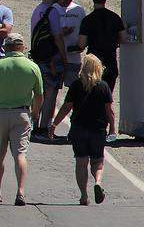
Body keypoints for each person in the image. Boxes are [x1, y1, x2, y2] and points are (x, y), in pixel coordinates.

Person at [0, 33, 43, 206]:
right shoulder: (32, 67)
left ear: (5, 48)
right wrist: (35, 113)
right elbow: (39, 95)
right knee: (20, 154)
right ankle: (20, 192)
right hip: (21, 113)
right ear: (22, 47)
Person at [49, 53, 115, 205]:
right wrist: (112, 128)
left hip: (78, 128)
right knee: (97, 161)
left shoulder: (76, 85)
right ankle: (97, 182)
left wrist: (54, 124)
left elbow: (66, 107)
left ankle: (84, 195)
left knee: (81, 162)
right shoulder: (103, 86)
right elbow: (109, 111)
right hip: (98, 129)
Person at [32, 0, 69, 135]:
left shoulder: (37, 10)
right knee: (51, 93)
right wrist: (64, 56)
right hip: (51, 59)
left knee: (39, 93)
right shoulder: (52, 11)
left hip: (38, 56)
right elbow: (57, 37)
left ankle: (35, 123)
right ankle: (44, 127)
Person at [78, 0, 126, 95]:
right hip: (110, 64)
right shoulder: (115, 18)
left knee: (91, 97)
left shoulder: (87, 20)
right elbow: (123, 38)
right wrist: (114, 42)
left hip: (93, 66)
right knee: (107, 98)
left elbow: (81, 43)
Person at [54, 0, 88, 91]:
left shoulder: (79, 10)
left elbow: (85, 33)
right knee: (52, 91)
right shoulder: (53, 9)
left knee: (74, 91)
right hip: (55, 57)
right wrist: (61, 33)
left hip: (73, 58)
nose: (67, 0)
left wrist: (81, 46)